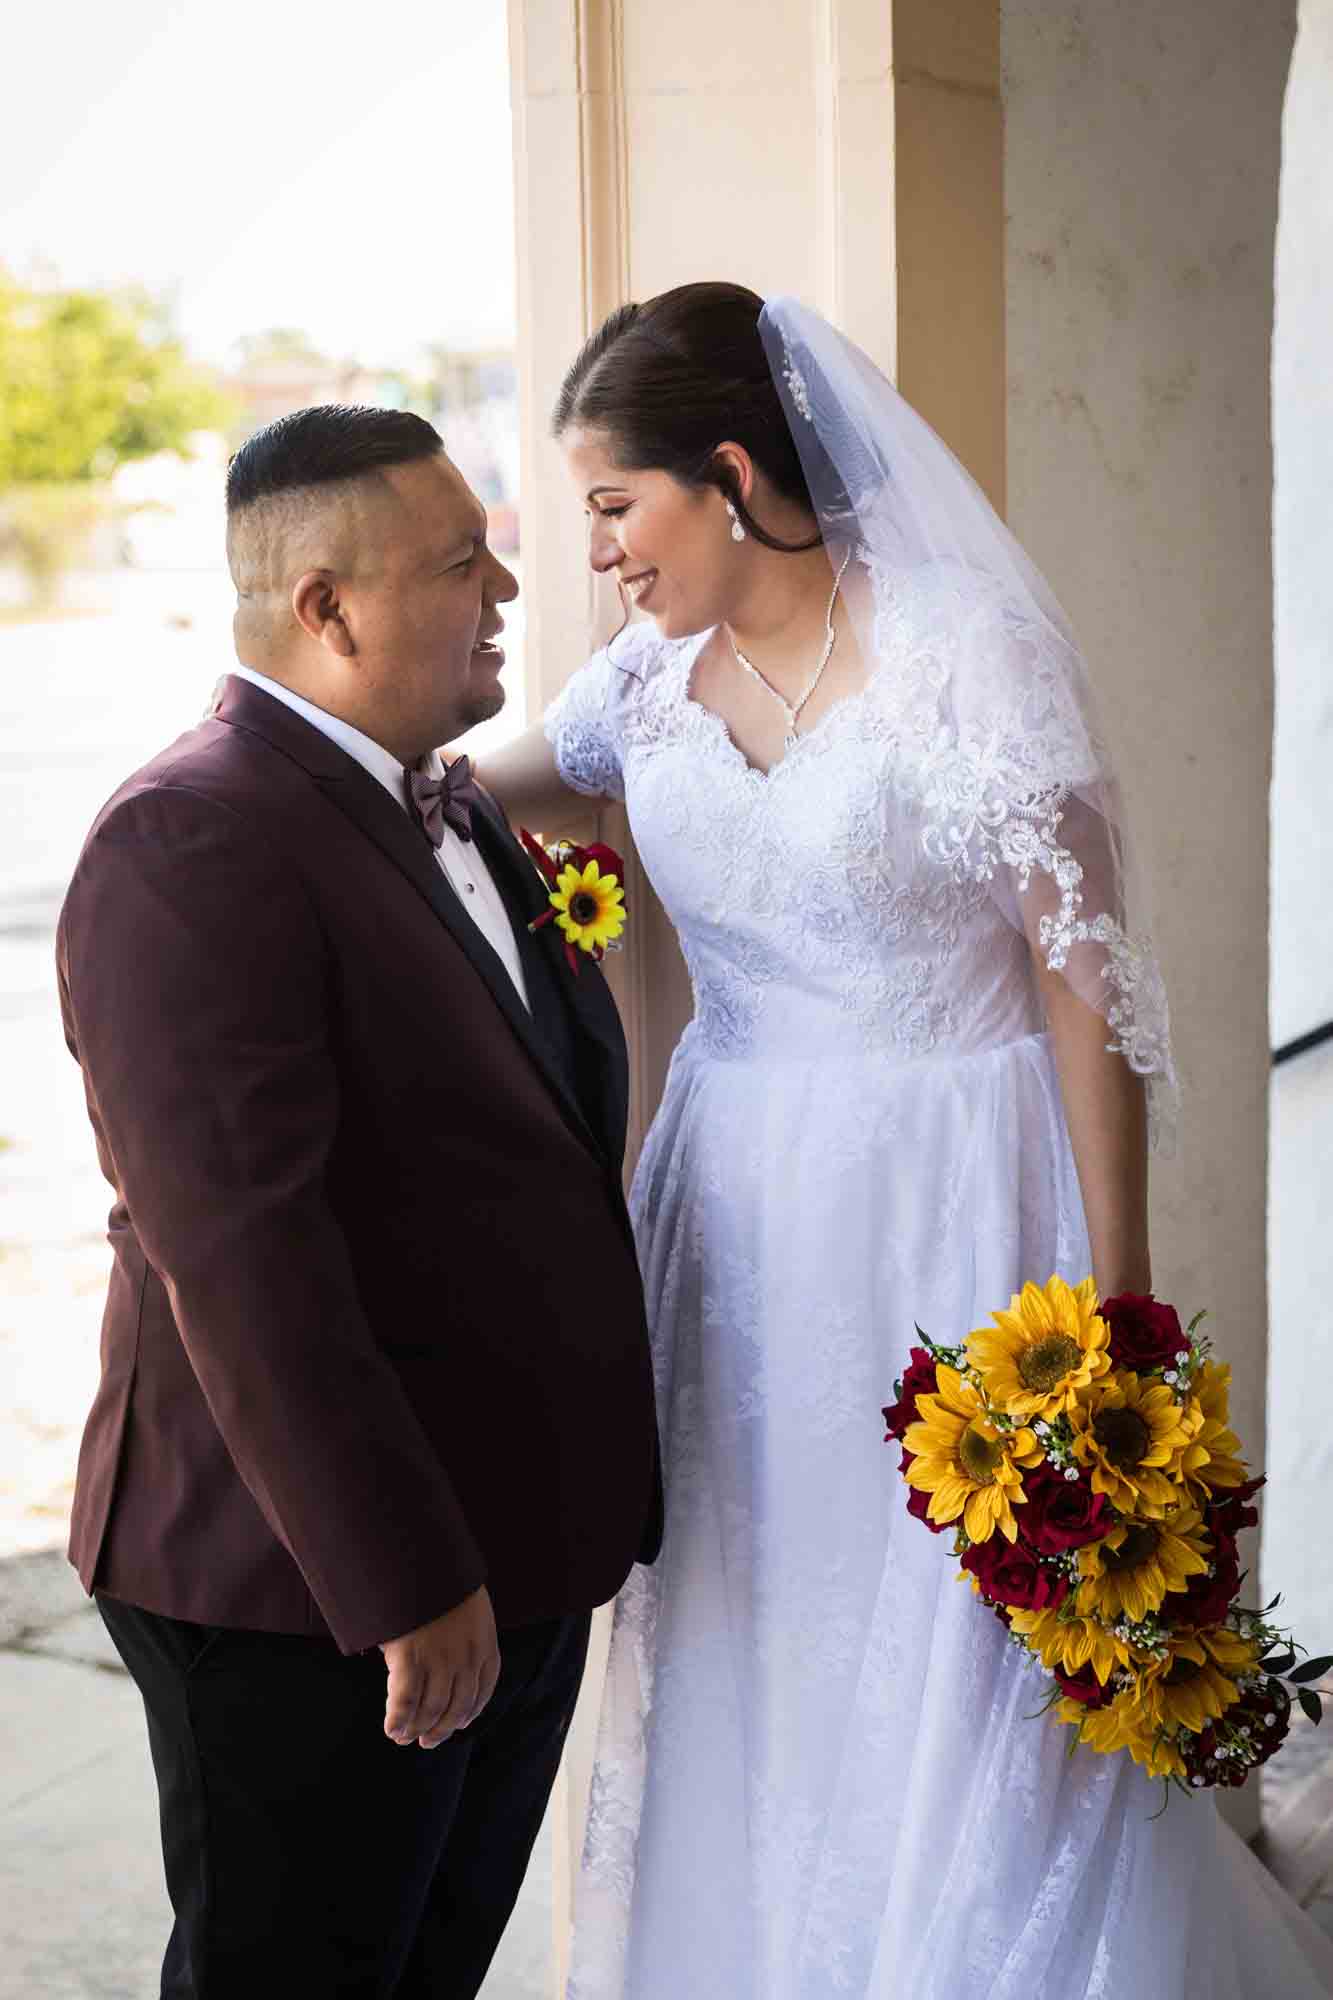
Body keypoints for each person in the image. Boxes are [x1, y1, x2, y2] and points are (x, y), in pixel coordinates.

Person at [476, 283, 1333, 1999]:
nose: (602, 560)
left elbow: (1085, 980)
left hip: (955, 1193)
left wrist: (1122, 1300)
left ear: (727, 476)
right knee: (755, 1605)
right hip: (727, 1221)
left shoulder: (965, 653)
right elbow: (457, 791)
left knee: (964, 1637)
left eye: (615, 509)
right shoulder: (639, 686)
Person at [56, 404, 662, 1998]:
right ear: (326, 609)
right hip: (310, 1588)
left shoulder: (441, 798)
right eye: (466, 563)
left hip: (507, 1550)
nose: (511, 593)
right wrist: (405, 1584)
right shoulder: (194, 835)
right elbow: (244, 1258)